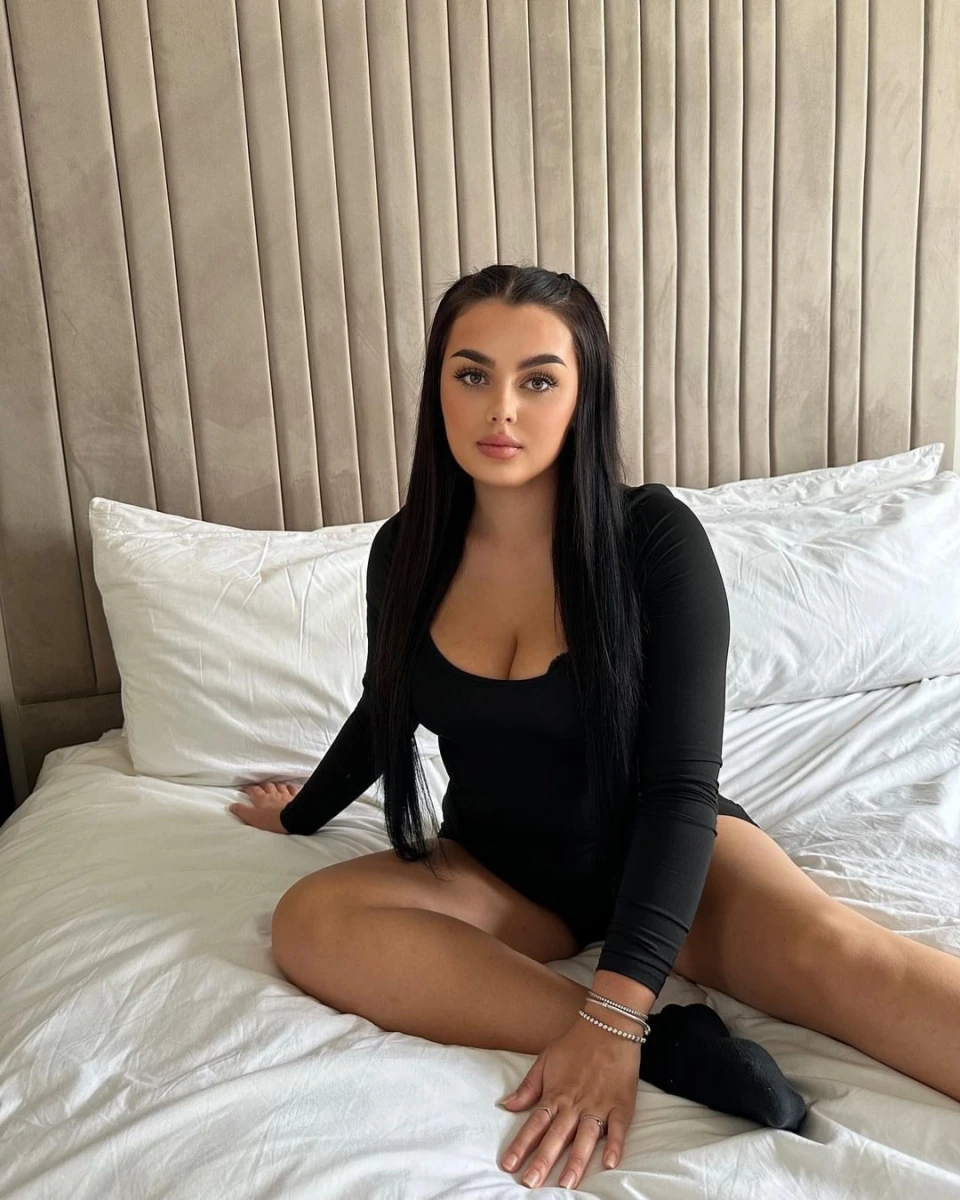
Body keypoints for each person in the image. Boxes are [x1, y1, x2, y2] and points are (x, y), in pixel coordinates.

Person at [230, 265, 960, 1189]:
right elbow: (388, 707)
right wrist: (301, 815)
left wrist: (615, 999)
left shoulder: (654, 538)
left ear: (584, 395)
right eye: (472, 374)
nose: (502, 408)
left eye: (538, 380)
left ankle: (619, 1028)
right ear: (437, 389)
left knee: (848, 960)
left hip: (669, 860)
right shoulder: (403, 550)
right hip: (502, 873)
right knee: (312, 922)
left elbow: (682, 787)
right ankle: (668, 1047)